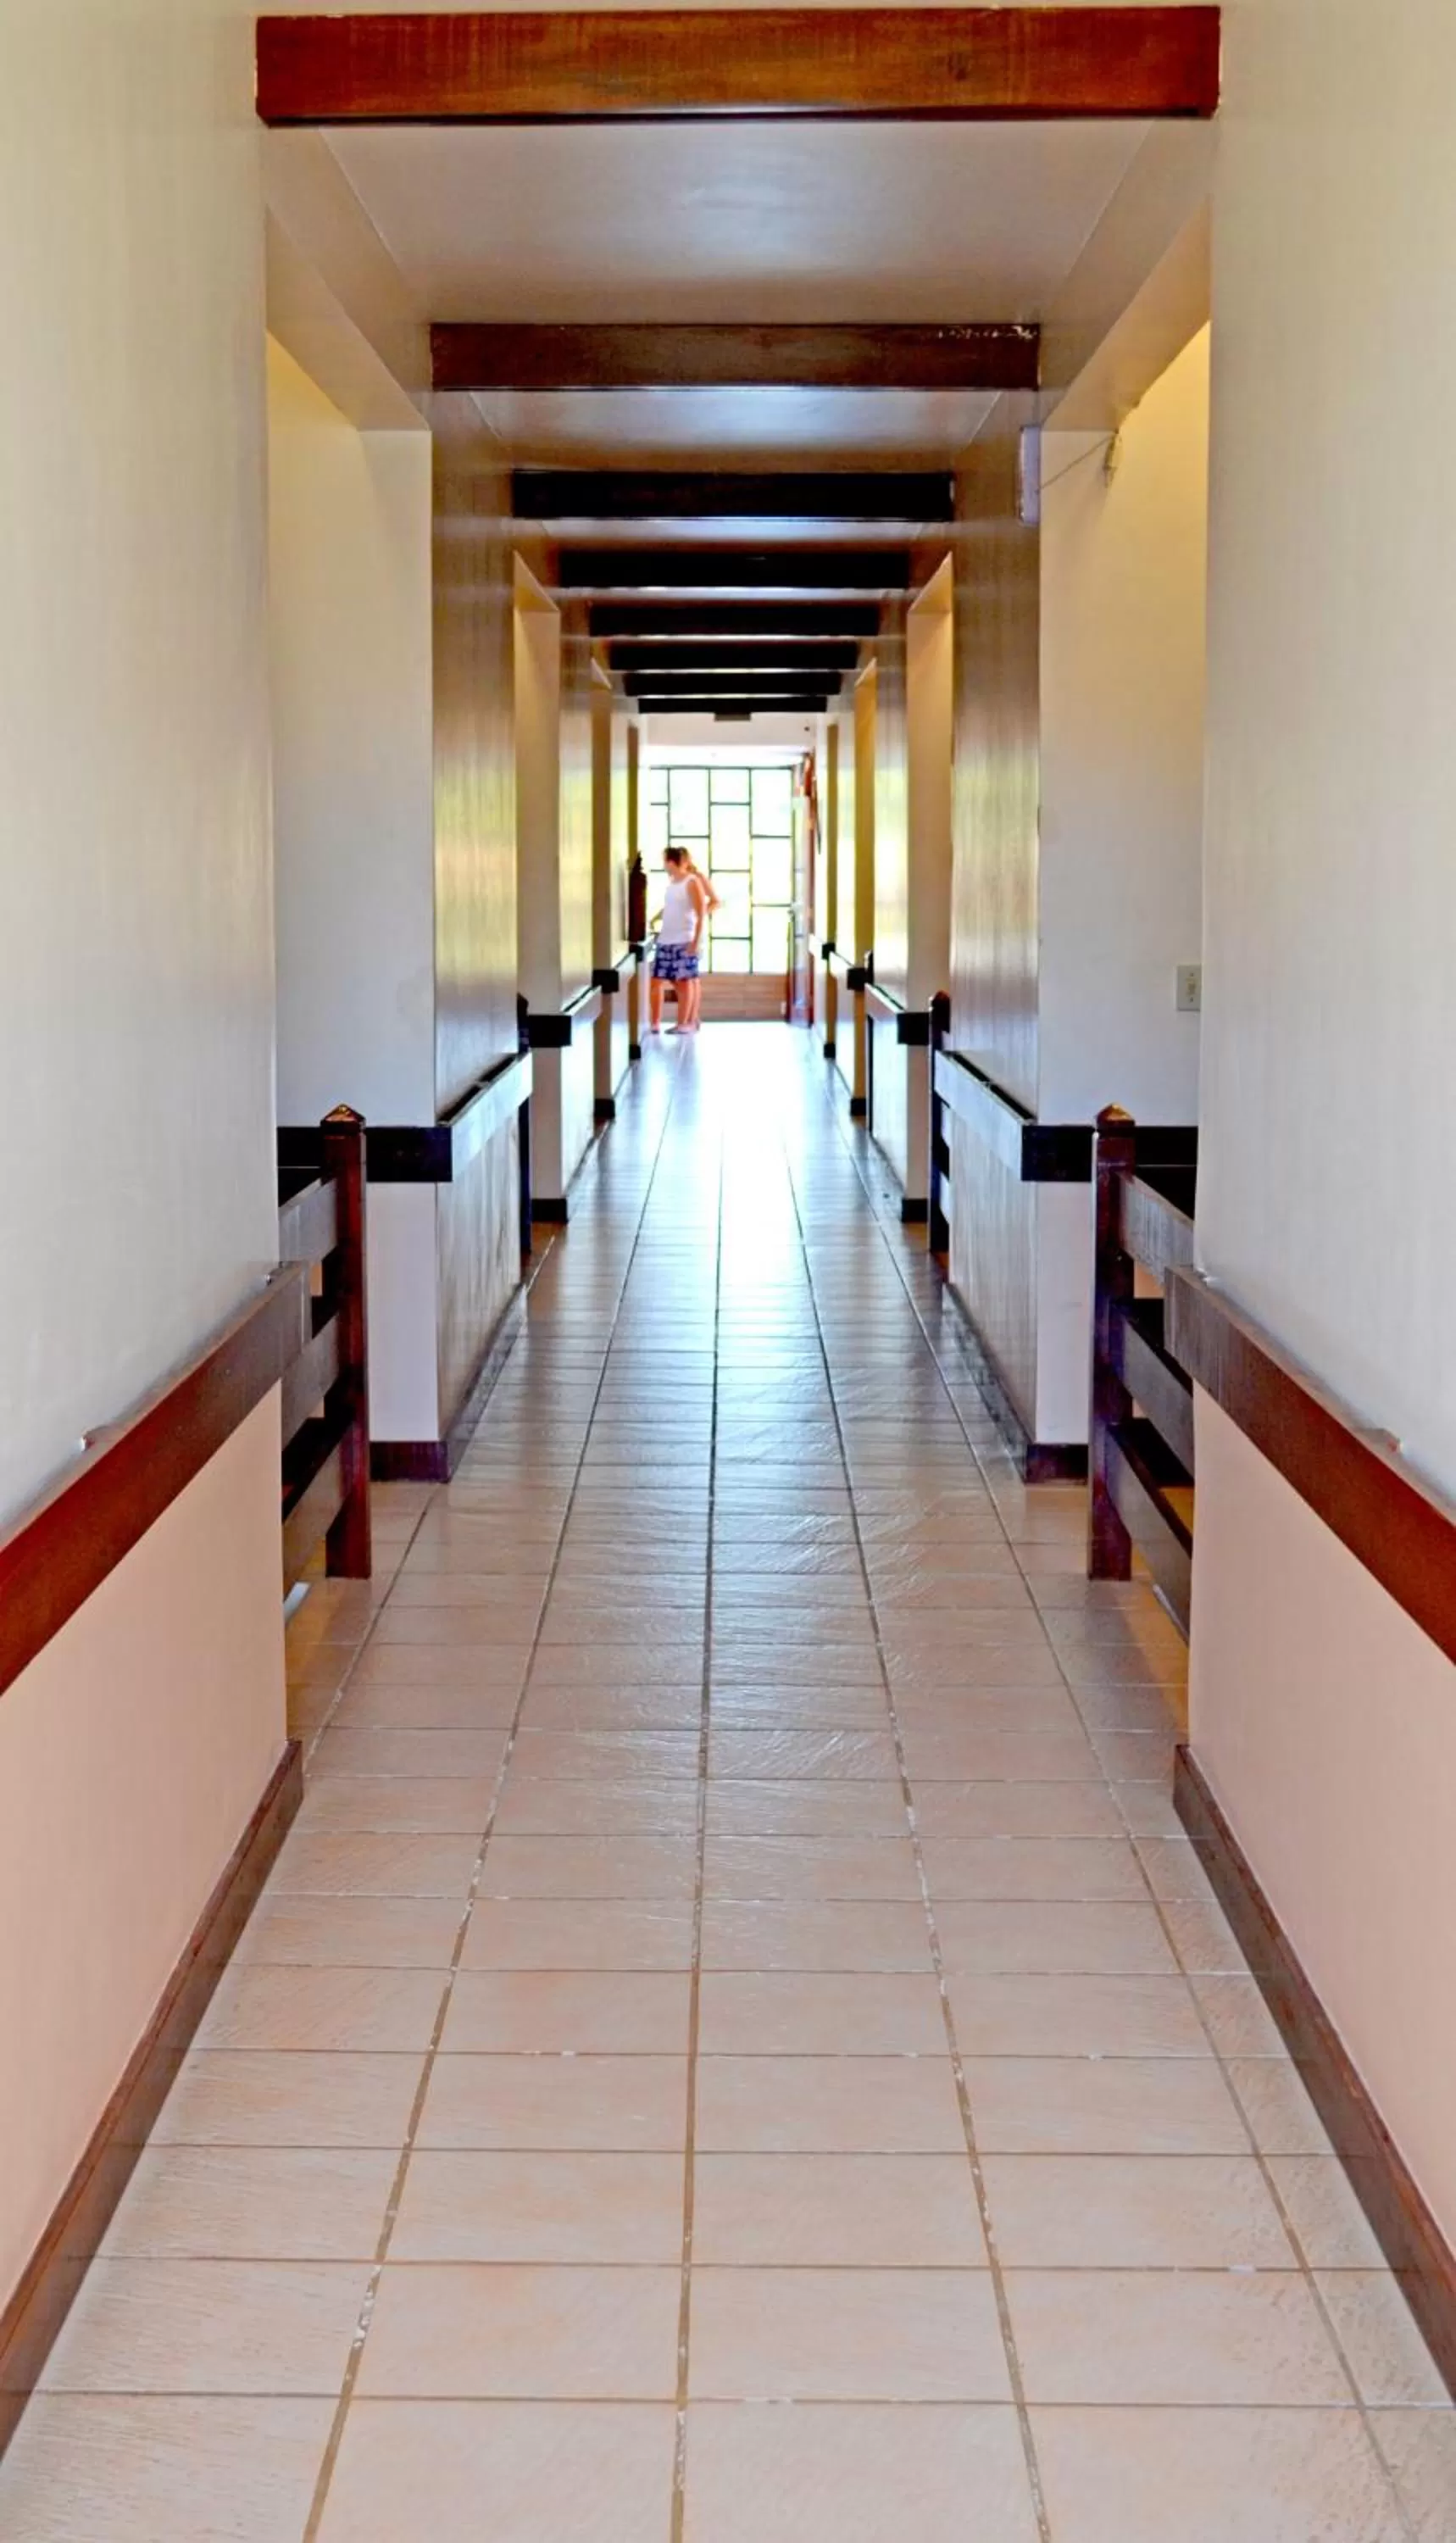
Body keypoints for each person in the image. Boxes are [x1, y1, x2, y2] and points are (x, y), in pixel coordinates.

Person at [649, 845, 709, 1033]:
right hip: (666, 939)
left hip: (684, 939)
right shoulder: (672, 884)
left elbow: (701, 913)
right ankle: (655, 1022)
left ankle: (684, 1023)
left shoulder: (692, 882)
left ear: (670, 862)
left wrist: (695, 942)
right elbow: (671, 908)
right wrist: (655, 919)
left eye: (664, 860)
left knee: (684, 981)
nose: (664, 864)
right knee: (657, 980)